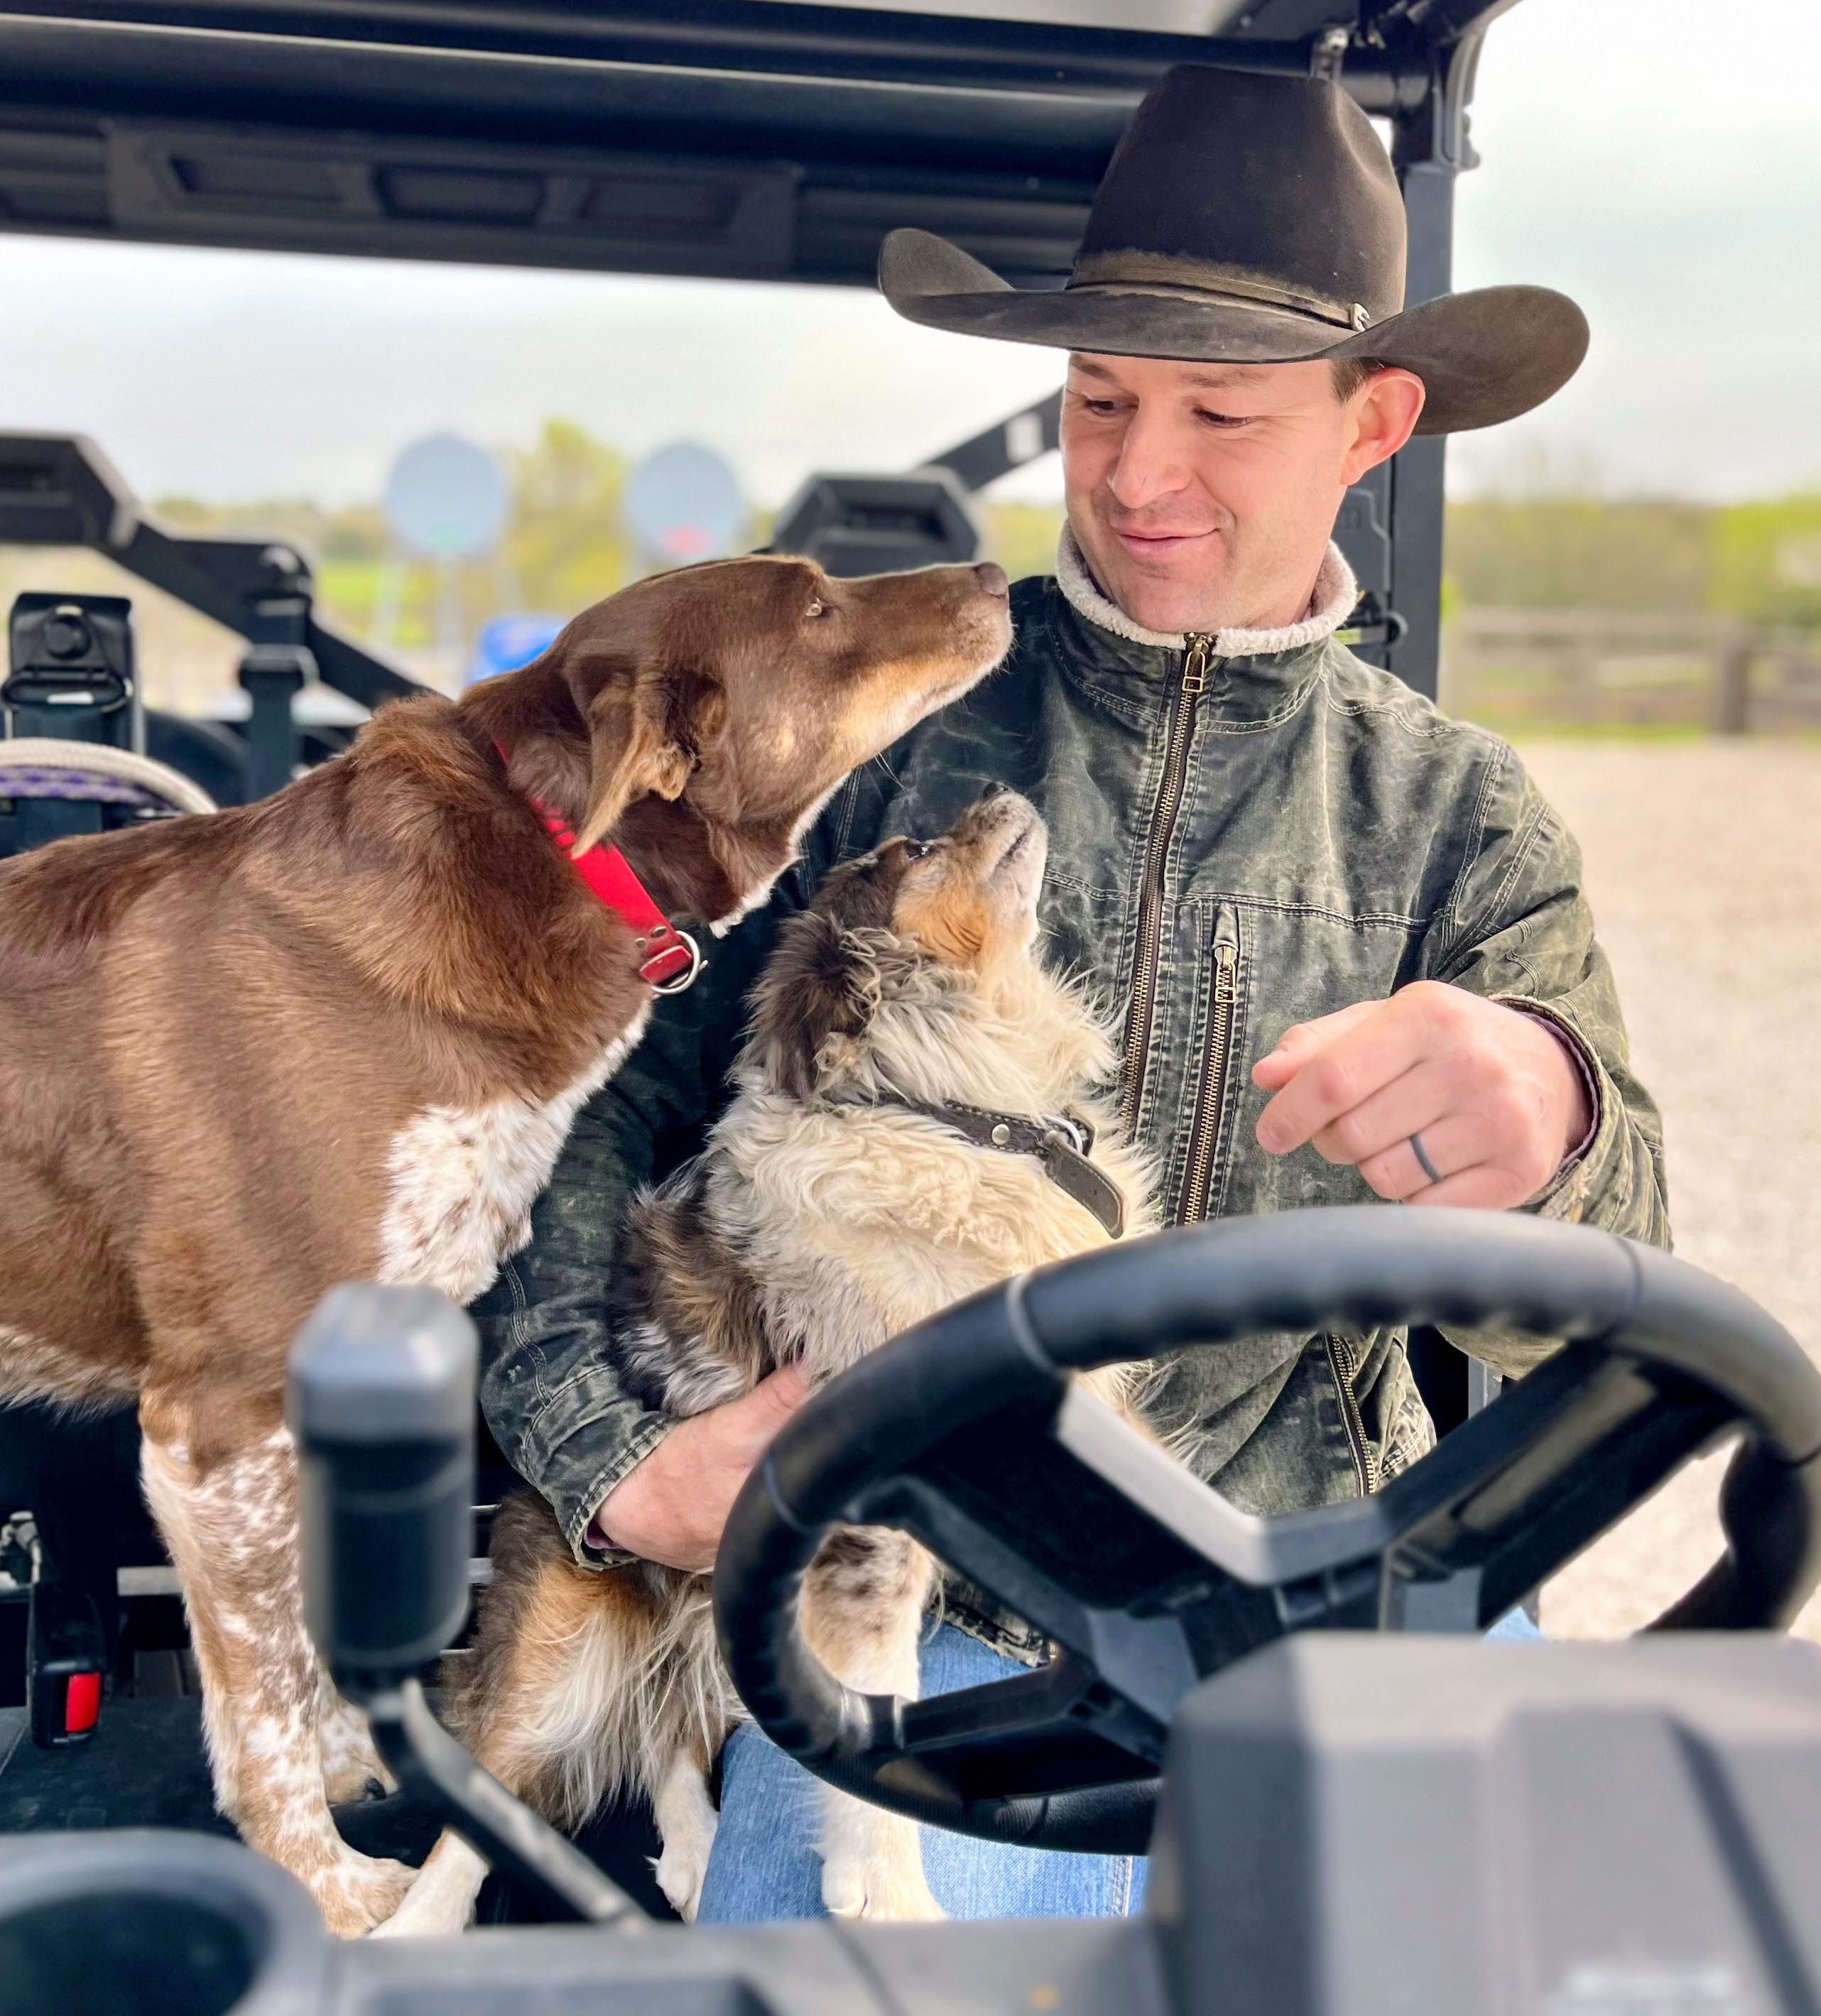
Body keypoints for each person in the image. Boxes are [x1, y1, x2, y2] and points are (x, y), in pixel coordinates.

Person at [471, 67, 1668, 1923]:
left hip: (1322, 1593)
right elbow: (596, 1100)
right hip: (921, 1606)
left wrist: (1550, 1114)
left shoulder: (1455, 815)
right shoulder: (877, 749)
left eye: (1220, 412)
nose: (1131, 470)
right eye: (1099, 400)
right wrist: (618, 1467)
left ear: (1375, 422)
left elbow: (1610, 1269)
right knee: (829, 1960)